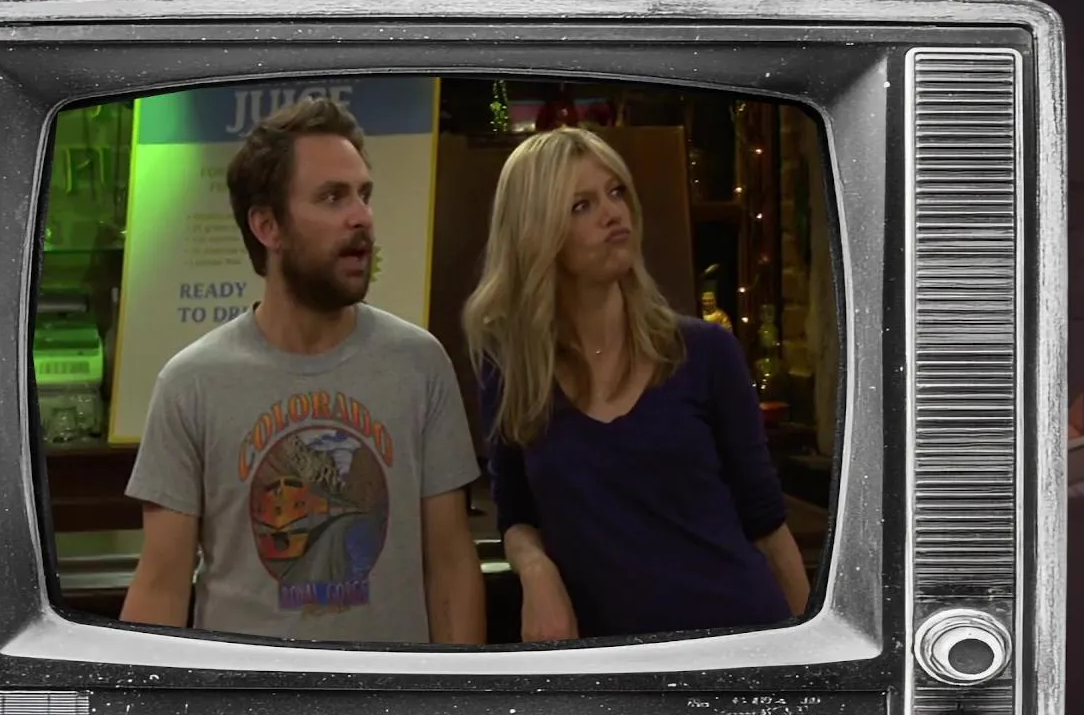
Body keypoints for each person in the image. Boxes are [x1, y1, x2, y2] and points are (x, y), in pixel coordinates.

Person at [120, 97, 486, 645]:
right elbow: (161, 587)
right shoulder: (191, 384)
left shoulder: (420, 364)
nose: (361, 216)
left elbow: (452, 568)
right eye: (332, 197)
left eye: (363, 194)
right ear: (268, 225)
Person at [462, 127, 810, 642]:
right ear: (535, 233)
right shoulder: (512, 369)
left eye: (616, 192)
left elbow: (767, 525)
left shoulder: (704, 353)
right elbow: (516, 516)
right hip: (608, 658)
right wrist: (536, 571)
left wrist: (820, 660)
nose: (612, 213)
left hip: (736, 640)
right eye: (581, 205)